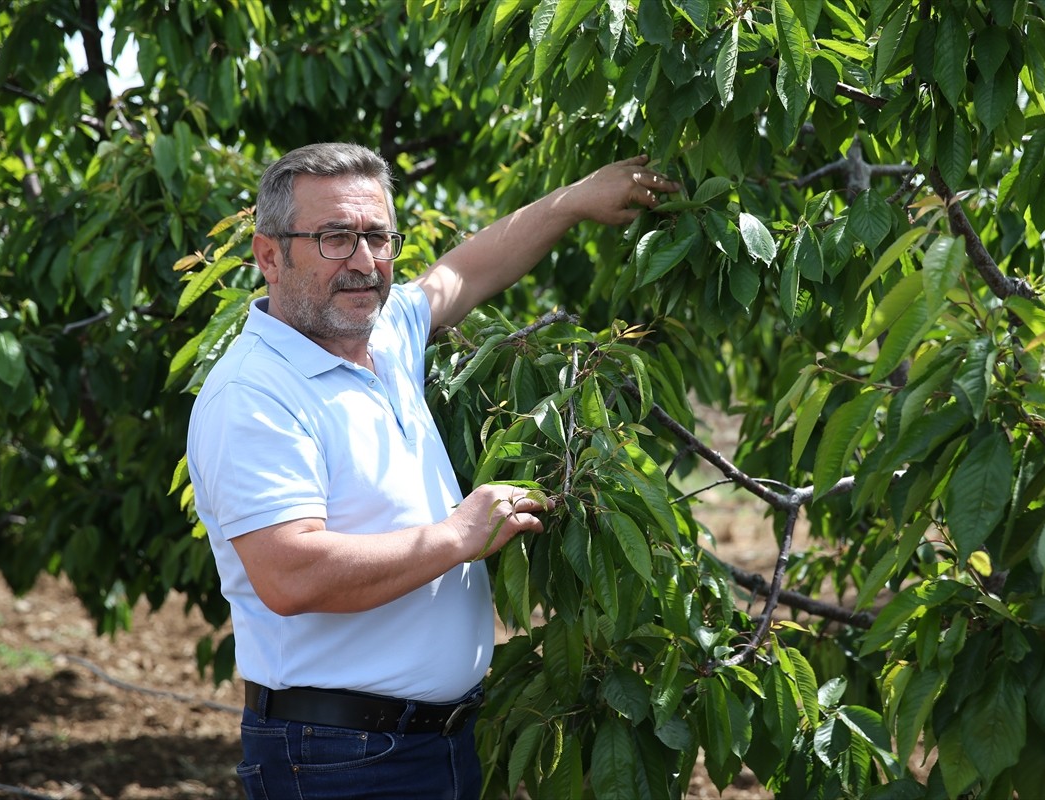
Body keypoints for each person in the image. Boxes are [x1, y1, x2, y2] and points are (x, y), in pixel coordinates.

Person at [185, 142, 679, 799]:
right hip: (337, 761)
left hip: (433, 745)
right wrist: (456, 535)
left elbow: (464, 273)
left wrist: (575, 200)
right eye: (335, 238)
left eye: (377, 237)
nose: (363, 262)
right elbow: (290, 572)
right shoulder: (255, 393)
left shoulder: (379, 337)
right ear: (269, 255)